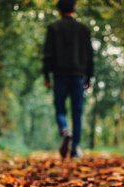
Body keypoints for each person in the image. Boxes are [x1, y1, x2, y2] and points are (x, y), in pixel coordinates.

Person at [42, 0, 94, 159]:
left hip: (59, 74)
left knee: (60, 108)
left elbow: (47, 54)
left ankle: (65, 130)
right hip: (78, 75)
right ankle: (75, 148)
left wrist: (46, 75)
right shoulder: (83, 29)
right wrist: (89, 75)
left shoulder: (53, 28)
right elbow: (90, 55)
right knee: (77, 112)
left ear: (59, 11)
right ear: (74, 8)